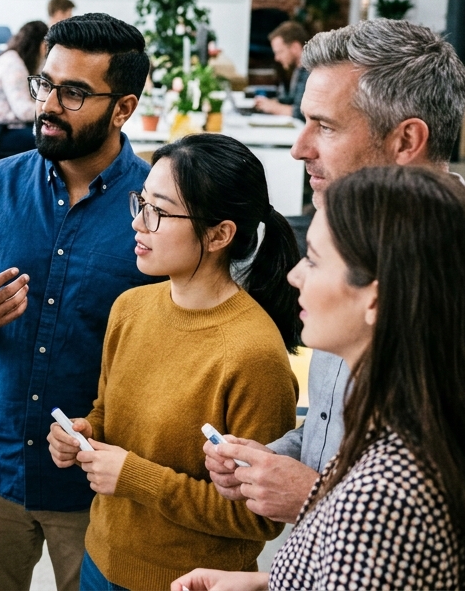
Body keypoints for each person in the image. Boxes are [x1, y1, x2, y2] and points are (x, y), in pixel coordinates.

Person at [203, 18, 465, 532]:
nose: (299, 148)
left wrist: (315, 497)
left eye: (326, 126)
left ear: (406, 140)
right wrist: (274, 461)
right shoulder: (348, 254)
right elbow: (332, 427)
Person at [176, 167, 465, 590]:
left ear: (376, 300)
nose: (294, 275)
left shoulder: (376, 501)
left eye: (314, 259)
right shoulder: (422, 425)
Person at [0, 12, 160, 591]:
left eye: (75, 93)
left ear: (124, 107)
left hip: (94, 484)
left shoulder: (158, 208)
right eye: (45, 85)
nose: (49, 105)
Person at [47, 134, 300, 591]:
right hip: (100, 560)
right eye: (140, 203)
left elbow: (257, 517)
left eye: (158, 211)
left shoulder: (254, 355)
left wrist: (134, 477)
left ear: (220, 233)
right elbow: (109, 413)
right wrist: (84, 434)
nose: (138, 223)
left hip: (191, 582)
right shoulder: (129, 307)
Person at [0, 20, 47, 158]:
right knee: (50, 140)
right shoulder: (13, 65)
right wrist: (51, 109)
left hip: (0, 129)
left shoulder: (13, 59)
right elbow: (23, 111)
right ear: (42, 46)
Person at [252, 21, 309, 120]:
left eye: (280, 52)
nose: (277, 58)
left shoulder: (310, 72)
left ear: (295, 47)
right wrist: (271, 102)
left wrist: (274, 108)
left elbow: (303, 114)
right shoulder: (296, 70)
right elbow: (289, 100)